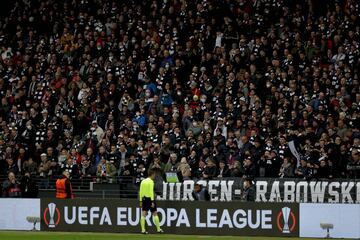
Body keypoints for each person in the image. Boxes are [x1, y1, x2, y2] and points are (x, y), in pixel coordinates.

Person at [139, 169, 163, 234]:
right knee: (155, 213)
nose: (154, 176)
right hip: (150, 199)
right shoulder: (151, 182)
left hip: (144, 199)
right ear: (152, 174)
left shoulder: (143, 181)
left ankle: (143, 230)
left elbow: (140, 192)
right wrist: (152, 201)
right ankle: (158, 229)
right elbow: (151, 192)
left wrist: (140, 201)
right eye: (154, 175)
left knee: (143, 214)